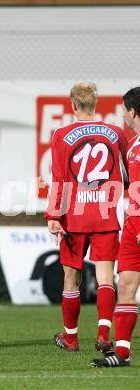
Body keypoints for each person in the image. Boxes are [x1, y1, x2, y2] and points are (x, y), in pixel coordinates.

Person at [45, 82, 128, 352]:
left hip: (74, 218)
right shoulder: (115, 133)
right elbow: (128, 175)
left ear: (73, 105)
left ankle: (71, 338)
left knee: (71, 279)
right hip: (105, 216)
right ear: (96, 104)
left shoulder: (61, 134)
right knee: (106, 278)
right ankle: (104, 334)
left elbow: (59, 178)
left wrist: (53, 214)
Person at [91, 87, 140, 367]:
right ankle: (122, 352)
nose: (123, 114)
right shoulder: (133, 144)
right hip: (133, 224)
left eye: (125, 109)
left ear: (132, 112)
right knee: (126, 287)